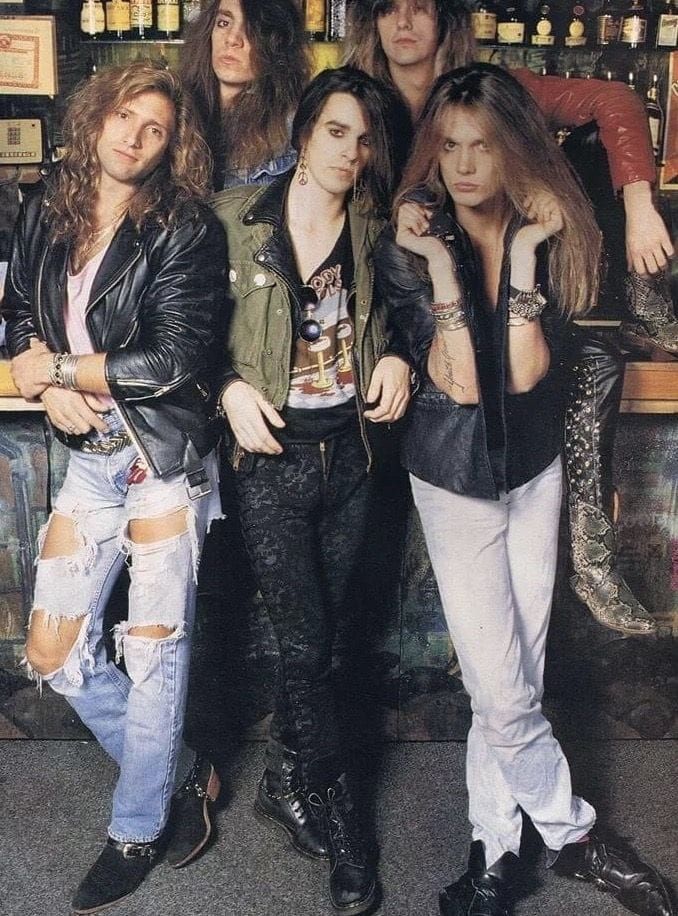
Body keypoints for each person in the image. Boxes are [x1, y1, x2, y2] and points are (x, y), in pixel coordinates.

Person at [374, 62, 674, 916]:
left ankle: (496, 851)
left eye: (485, 146)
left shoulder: (545, 231)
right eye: (452, 146)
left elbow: (526, 369)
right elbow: (468, 385)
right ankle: (575, 833)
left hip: (533, 470)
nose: (467, 165)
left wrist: (530, 255)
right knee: (499, 683)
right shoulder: (413, 240)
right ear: (434, 152)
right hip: (455, 478)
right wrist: (436, 261)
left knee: (518, 673)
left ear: (514, 153)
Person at [345, 0, 677, 634]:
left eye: (422, 9)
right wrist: (411, 205)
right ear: (369, 21)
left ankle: (589, 541)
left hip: (514, 305)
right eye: (390, 9)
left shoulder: (493, 87)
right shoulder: (361, 104)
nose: (406, 23)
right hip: (405, 310)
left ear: (448, 21)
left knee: (592, 347)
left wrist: (638, 205)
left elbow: (615, 103)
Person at [2, 61, 227, 913]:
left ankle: (138, 825)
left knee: (155, 653)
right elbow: (22, 307)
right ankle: (183, 771)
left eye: (155, 128)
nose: (132, 137)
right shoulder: (45, 211)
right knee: (52, 655)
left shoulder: (184, 229)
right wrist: (48, 383)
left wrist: (58, 364)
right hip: (93, 459)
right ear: (95, 119)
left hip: (164, 461)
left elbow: (174, 360)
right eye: (123, 117)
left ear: (174, 146)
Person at [212, 66, 411, 914]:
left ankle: (289, 779)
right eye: (336, 131)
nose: (351, 151)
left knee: (335, 641)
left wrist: (398, 353)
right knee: (306, 648)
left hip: (354, 456)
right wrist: (225, 386)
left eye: (364, 137)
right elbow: (176, 329)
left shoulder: (377, 227)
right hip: (272, 463)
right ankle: (344, 825)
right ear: (303, 134)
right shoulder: (233, 221)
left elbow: (407, 315)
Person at [180, 0, 310, 189]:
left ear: (276, 44)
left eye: (251, 29)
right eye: (223, 23)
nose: (232, 39)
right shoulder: (176, 108)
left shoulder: (293, 124)